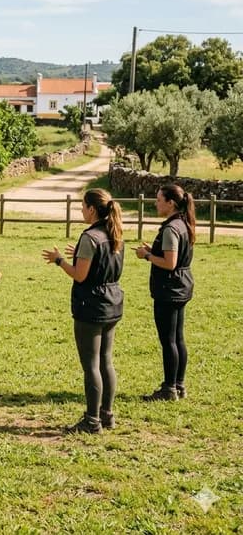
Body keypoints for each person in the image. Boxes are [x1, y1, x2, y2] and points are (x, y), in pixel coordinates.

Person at [42, 188, 124, 434]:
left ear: (91, 209)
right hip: (112, 302)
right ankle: (107, 415)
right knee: (106, 361)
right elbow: (102, 263)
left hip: (91, 306)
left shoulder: (90, 237)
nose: (80, 210)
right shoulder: (114, 233)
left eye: (82, 206)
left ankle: (91, 420)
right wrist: (78, 256)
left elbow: (80, 275)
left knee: (91, 365)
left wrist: (59, 261)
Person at [135, 183, 195, 402]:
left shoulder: (171, 228)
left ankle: (169, 388)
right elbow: (176, 257)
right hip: (181, 286)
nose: (155, 202)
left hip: (169, 289)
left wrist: (147, 256)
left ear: (171, 203)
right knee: (178, 339)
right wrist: (154, 251)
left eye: (159, 199)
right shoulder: (184, 224)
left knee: (168, 340)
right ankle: (179, 385)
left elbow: (170, 263)